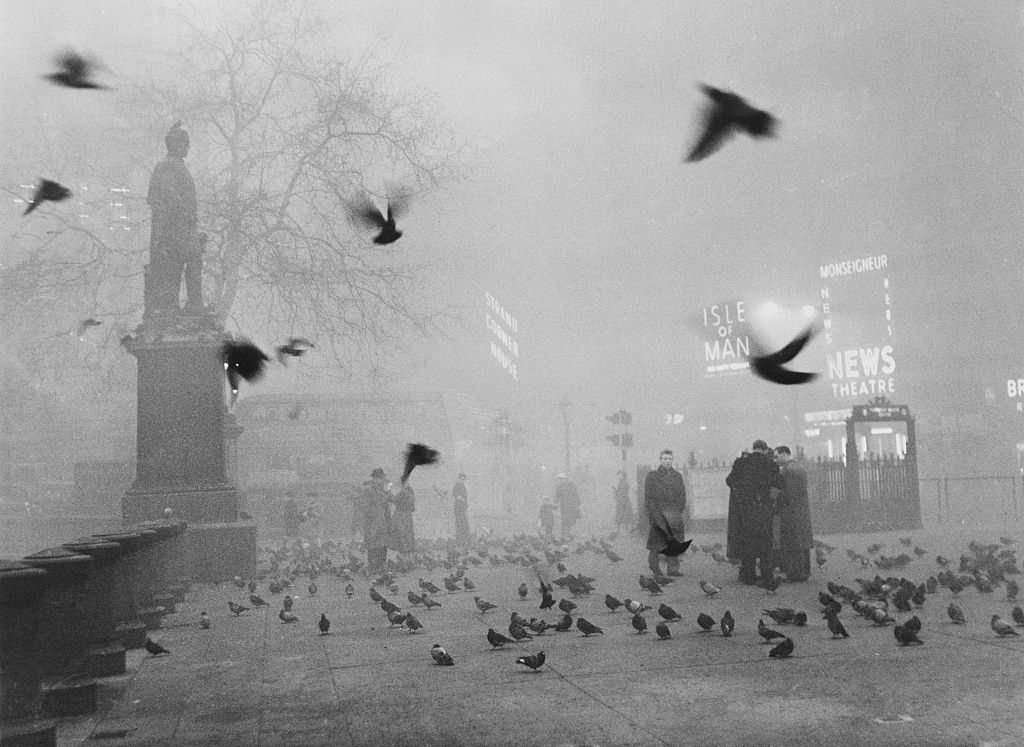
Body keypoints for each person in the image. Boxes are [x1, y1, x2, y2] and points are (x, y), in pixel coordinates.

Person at [146, 123, 204, 314]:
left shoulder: (175, 166)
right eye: (185, 143)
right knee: (177, 268)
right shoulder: (167, 167)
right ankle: (182, 308)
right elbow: (169, 198)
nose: (188, 147)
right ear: (175, 144)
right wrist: (185, 217)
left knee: (186, 264)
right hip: (173, 231)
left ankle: (189, 306)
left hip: (181, 229)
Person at [726, 439, 780, 585]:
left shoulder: (741, 463)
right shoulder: (772, 464)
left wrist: (742, 494)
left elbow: (729, 481)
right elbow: (778, 484)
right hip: (764, 509)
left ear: (753, 448)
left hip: (747, 511)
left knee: (748, 543)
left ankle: (748, 576)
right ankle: (766, 576)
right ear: (764, 449)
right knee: (765, 545)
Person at [643, 449, 688, 576]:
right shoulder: (652, 476)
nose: (667, 461)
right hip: (659, 514)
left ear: (672, 460)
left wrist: (678, 510)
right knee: (656, 544)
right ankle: (654, 567)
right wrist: (654, 513)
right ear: (660, 460)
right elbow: (649, 497)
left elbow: (682, 495)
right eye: (664, 459)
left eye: (669, 459)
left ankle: (673, 568)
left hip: (673, 514)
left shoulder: (677, 476)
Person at [773, 445, 813, 581]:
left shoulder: (788, 470)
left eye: (777, 456)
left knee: (792, 543)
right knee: (802, 543)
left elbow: (787, 493)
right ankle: (804, 572)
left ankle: (795, 574)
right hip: (801, 511)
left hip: (791, 512)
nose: (776, 460)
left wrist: (776, 503)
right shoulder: (799, 467)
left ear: (784, 454)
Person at [360, 468, 392, 574]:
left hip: (382, 522)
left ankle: (382, 566)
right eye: (381, 478)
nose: (383, 480)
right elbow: (365, 506)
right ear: (376, 479)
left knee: (383, 544)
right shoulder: (368, 490)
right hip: (372, 523)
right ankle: (373, 566)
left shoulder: (383, 490)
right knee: (372, 544)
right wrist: (374, 514)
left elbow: (386, 505)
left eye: (383, 478)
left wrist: (388, 519)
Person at [389, 482, 416, 556]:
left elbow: (394, 500)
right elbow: (412, 507)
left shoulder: (402, 492)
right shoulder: (411, 491)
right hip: (407, 516)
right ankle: (408, 550)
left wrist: (389, 493)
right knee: (407, 533)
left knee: (400, 532)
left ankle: (402, 550)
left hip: (400, 515)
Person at [554, 474, 582, 540]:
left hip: (572, 506)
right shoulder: (559, 487)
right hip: (564, 506)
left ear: (565, 479)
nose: (560, 480)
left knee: (571, 519)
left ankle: (568, 533)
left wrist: (579, 504)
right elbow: (557, 496)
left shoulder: (571, 485)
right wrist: (556, 502)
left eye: (561, 479)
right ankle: (564, 534)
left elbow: (576, 495)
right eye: (559, 479)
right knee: (564, 520)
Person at [452, 473, 471, 546]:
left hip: (462, 507)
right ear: (458, 479)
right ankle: (460, 539)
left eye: (464, 480)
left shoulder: (462, 485)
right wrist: (464, 502)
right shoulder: (457, 486)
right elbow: (458, 496)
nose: (463, 481)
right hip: (459, 507)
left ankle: (463, 539)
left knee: (463, 522)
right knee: (460, 523)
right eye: (462, 479)